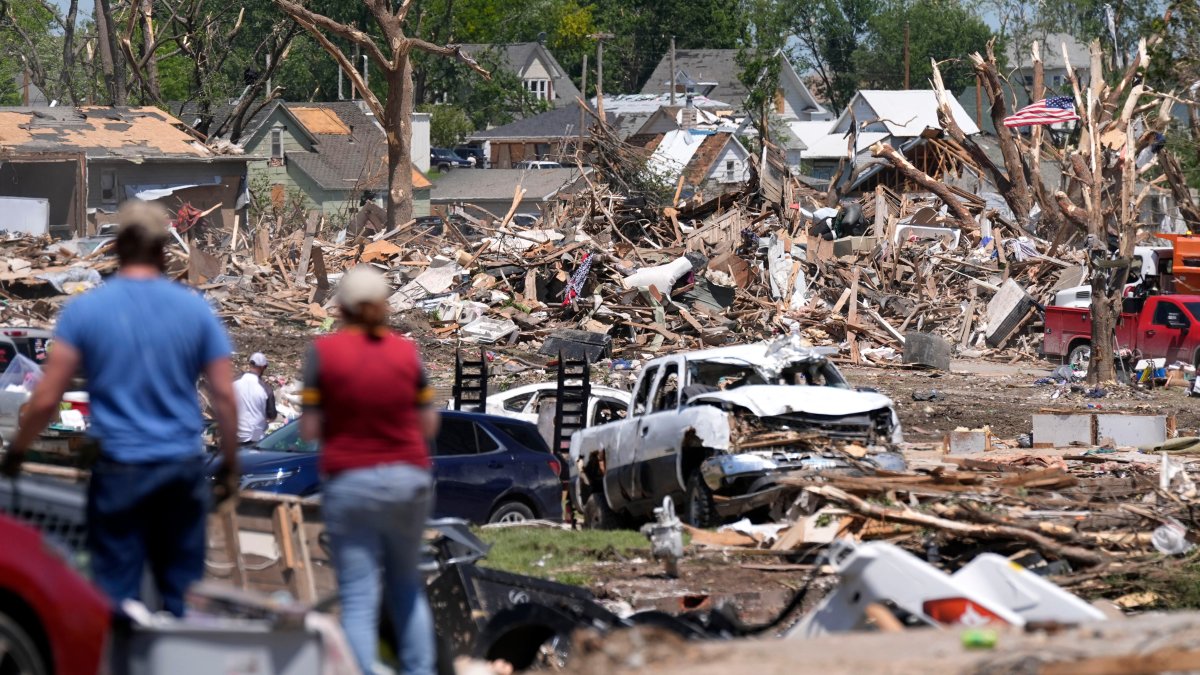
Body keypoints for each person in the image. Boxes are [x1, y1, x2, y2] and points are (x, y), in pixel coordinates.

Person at [0, 200, 240, 617]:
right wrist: (232, 462)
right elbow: (223, 396)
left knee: (114, 600)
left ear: (118, 247)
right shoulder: (195, 309)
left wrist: (17, 452)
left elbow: (45, 397)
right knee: (179, 594)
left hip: (119, 471)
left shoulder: (86, 310)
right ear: (164, 249)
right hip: (181, 468)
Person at [300, 265, 439, 675]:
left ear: (340, 307)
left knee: (358, 596)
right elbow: (429, 424)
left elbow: (309, 428)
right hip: (409, 478)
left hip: (351, 481)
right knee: (407, 586)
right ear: (384, 307)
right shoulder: (405, 352)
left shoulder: (323, 353)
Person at [234, 352, 277, 445]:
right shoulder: (266, 389)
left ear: (250, 364)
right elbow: (272, 416)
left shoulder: (234, 382)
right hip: (256, 436)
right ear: (262, 367)